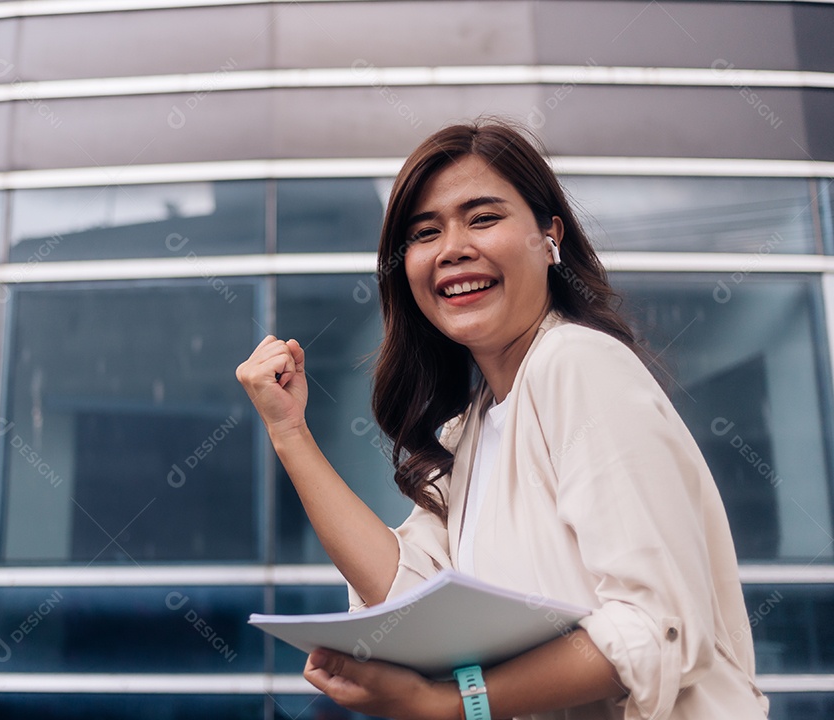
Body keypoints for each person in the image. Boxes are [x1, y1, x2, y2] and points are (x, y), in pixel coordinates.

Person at [236, 118, 769, 720]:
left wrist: (453, 703)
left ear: (550, 237)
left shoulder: (577, 364)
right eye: (424, 231)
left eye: (483, 217)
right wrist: (290, 433)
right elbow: (407, 593)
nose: (453, 247)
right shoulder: (473, 429)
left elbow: (657, 627)